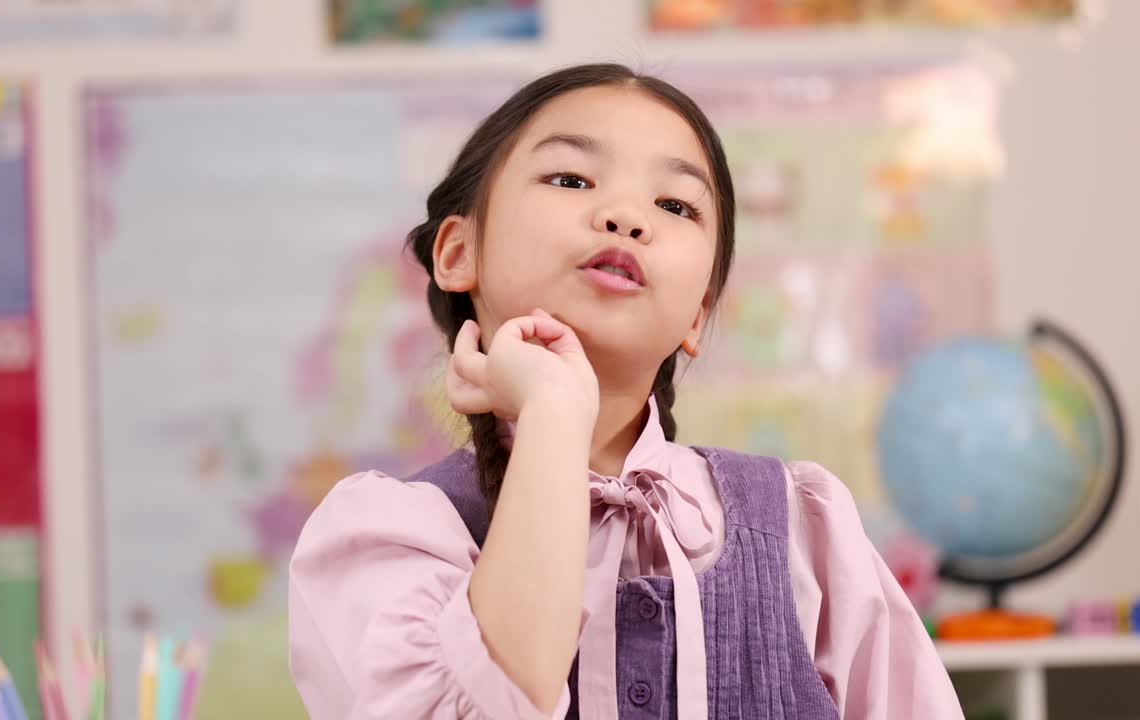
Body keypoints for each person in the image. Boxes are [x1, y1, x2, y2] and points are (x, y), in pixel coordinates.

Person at [288, 63, 962, 719]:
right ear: (458, 253)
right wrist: (554, 411)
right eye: (571, 177)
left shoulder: (805, 531)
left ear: (697, 313)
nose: (625, 216)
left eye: (674, 204)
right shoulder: (387, 534)